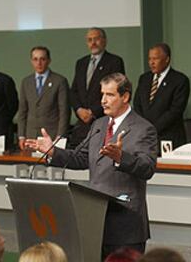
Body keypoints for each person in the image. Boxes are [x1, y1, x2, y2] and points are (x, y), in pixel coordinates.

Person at [26, 73, 157, 260]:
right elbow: (81, 157)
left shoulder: (143, 128)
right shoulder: (99, 124)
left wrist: (121, 158)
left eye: (109, 95)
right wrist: (53, 152)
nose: (103, 100)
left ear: (125, 96)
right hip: (95, 219)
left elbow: (147, 168)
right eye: (102, 94)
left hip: (124, 225)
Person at [69, 27, 125, 148]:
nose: (93, 43)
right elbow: (74, 91)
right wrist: (79, 110)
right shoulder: (81, 63)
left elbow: (116, 92)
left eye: (96, 39)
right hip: (82, 125)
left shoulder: (114, 61)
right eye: (89, 40)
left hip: (104, 121)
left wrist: (93, 112)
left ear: (104, 41)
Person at [134, 43, 190, 149]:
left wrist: (151, 129)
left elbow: (175, 111)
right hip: (145, 139)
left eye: (155, 58)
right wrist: (143, 128)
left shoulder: (180, 80)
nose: (151, 62)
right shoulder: (144, 78)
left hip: (169, 139)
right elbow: (137, 105)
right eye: (149, 58)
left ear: (167, 59)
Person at [18, 46, 70, 150]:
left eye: (42, 59)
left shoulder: (59, 81)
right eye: (35, 59)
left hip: (51, 136)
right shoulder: (26, 82)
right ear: (31, 61)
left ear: (49, 60)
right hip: (30, 137)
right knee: (30, 166)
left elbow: (64, 111)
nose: (39, 63)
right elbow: (22, 111)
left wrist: (60, 137)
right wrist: (21, 136)